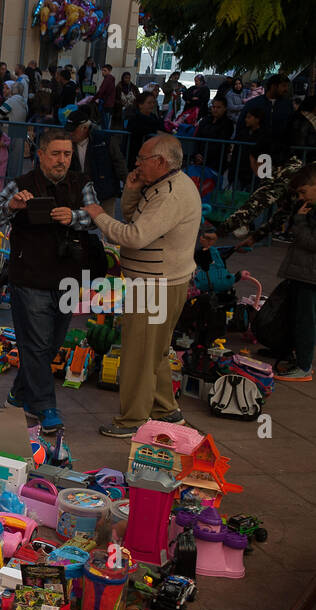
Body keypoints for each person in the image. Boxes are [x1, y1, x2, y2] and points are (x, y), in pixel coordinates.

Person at [0, 126, 100, 434]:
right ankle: (47, 407)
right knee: (35, 345)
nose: (63, 160)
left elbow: (96, 216)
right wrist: (12, 205)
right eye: (56, 154)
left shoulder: (82, 182)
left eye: (68, 154)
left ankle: (18, 395)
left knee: (50, 345)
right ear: (42, 155)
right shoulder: (21, 184)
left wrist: (73, 217)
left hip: (69, 278)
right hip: (30, 276)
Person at [83, 134, 203, 436]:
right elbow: (136, 217)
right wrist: (132, 191)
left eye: (142, 158)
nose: (136, 164)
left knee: (138, 354)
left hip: (156, 285)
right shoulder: (161, 186)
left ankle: (133, 420)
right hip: (159, 282)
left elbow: (133, 235)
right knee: (155, 352)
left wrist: (99, 215)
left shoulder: (171, 194)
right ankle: (166, 410)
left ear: (161, 162)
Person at [270, 163, 316, 381]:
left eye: (303, 191)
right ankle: (299, 359)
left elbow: (310, 242)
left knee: (306, 320)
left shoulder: (307, 213)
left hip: (310, 275)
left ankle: (304, 366)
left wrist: (299, 221)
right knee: (298, 317)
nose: (301, 196)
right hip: (303, 272)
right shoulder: (309, 207)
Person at [66, 109, 126, 216]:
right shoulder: (67, 143)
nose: (70, 133)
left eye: (73, 130)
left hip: (105, 191)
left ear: (84, 128)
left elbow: (119, 163)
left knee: (108, 226)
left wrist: (127, 183)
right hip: (79, 192)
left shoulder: (105, 140)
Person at [193, 97, 234, 174]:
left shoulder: (228, 123)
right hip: (199, 159)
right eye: (213, 107)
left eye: (218, 107)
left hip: (216, 162)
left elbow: (220, 143)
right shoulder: (205, 120)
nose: (215, 109)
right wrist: (196, 153)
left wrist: (203, 156)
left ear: (225, 108)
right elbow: (197, 137)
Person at [124, 92, 163, 168]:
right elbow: (138, 129)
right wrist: (155, 131)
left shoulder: (154, 117)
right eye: (149, 103)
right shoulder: (134, 117)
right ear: (140, 105)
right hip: (136, 153)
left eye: (153, 103)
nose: (152, 105)